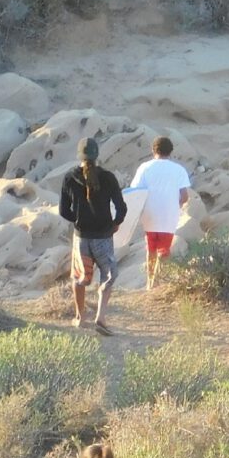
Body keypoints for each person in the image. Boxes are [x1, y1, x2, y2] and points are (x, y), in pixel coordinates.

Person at [58, 137, 127, 335]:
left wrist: (78, 220)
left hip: (82, 238)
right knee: (109, 275)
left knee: (80, 277)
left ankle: (80, 317)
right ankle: (101, 317)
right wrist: (115, 224)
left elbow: (64, 210)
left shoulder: (69, 177)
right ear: (97, 155)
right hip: (103, 237)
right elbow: (121, 207)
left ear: (79, 155)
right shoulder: (108, 177)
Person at [129, 136, 192, 290]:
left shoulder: (144, 167)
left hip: (149, 214)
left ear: (153, 150)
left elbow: (135, 191)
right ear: (170, 151)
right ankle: (159, 283)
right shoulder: (178, 170)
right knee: (164, 250)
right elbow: (184, 196)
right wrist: (174, 205)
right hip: (168, 215)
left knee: (150, 248)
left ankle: (150, 282)